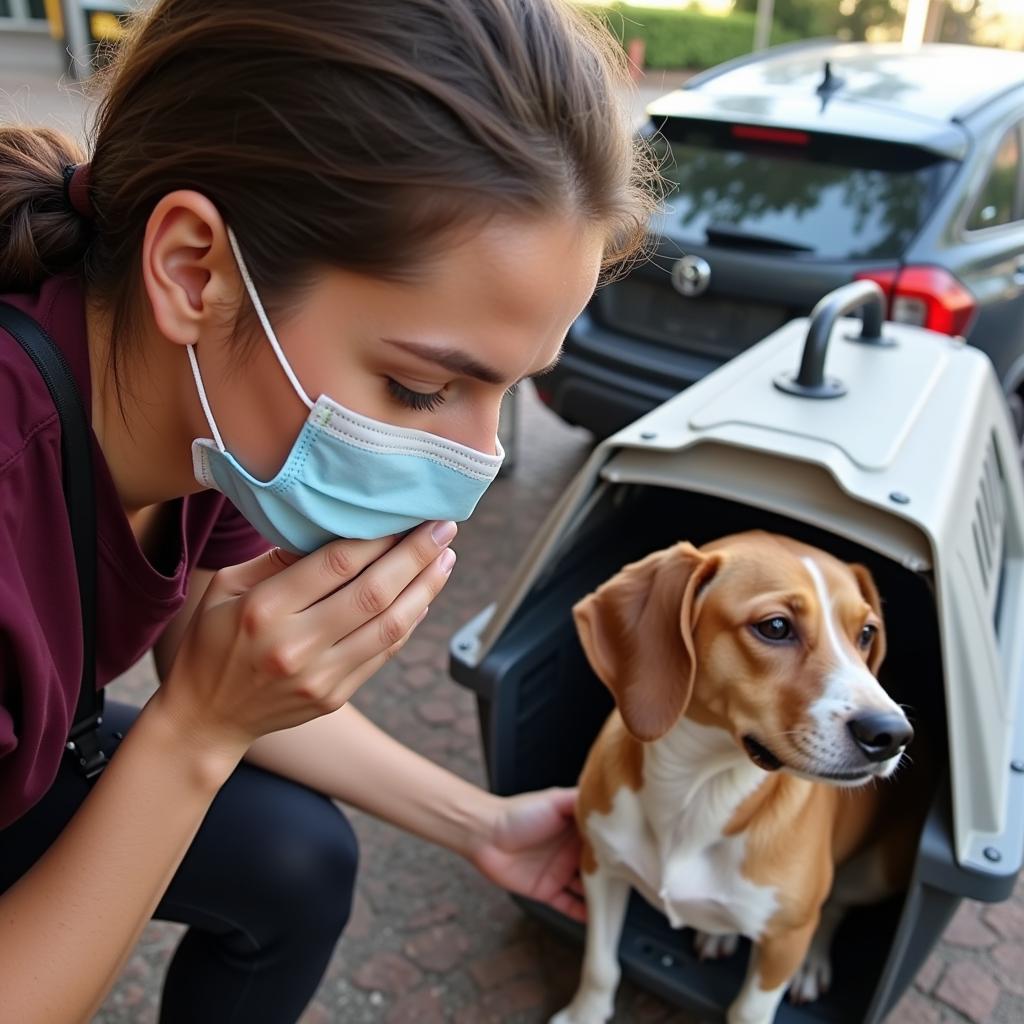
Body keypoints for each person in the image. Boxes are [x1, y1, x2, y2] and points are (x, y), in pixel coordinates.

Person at [0, 0, 655, 1020]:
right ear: (194, 271)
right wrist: (195, 736)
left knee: (298, 861)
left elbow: (203, 653)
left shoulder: (204, 406)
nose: (476, 461)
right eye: (423, 388)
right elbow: (200, 704)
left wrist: (480, 822)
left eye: (512, 390)